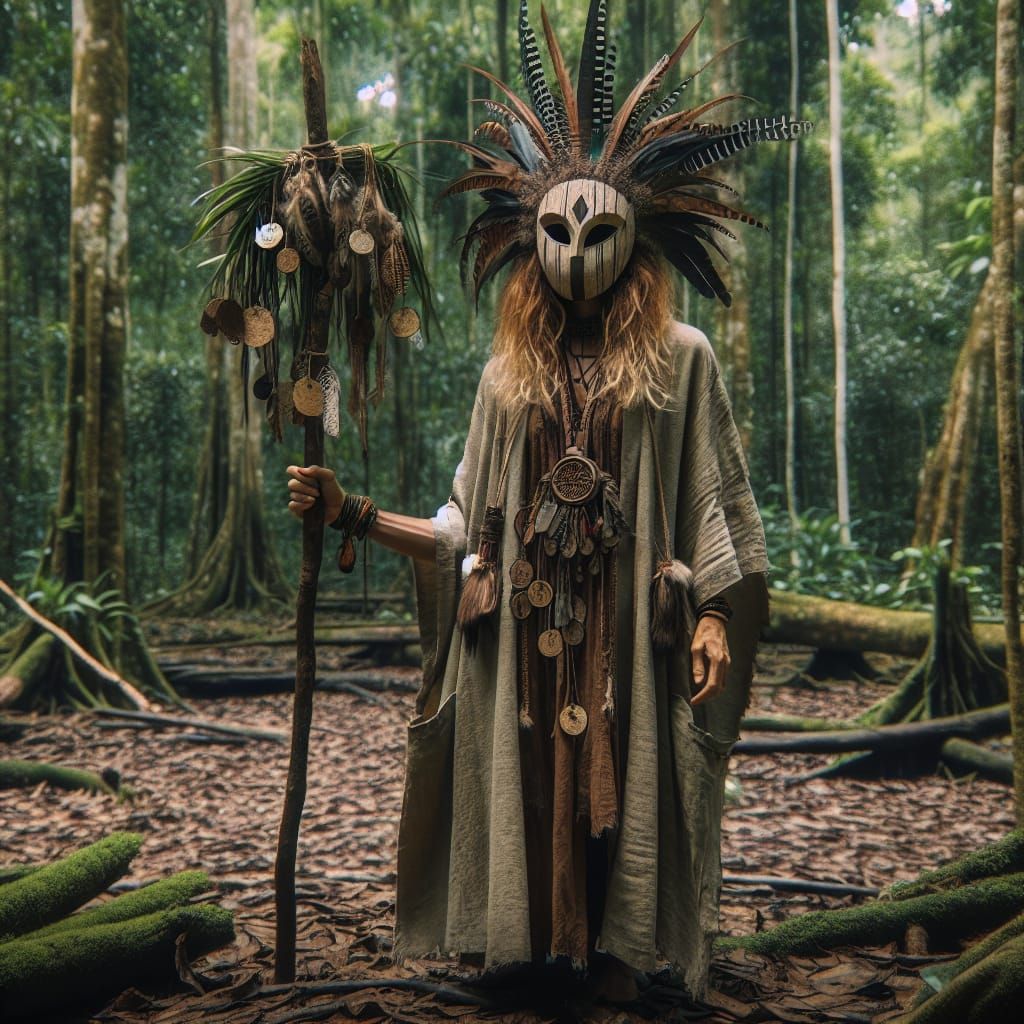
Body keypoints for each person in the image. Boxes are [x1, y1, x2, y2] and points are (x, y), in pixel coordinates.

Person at [287, 0, 808, 1002]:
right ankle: (529, 949)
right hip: (521, 631)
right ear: (527, 239)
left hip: (631, 636)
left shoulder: (680, 360)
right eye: (557, 230)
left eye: (597, 228)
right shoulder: (503, 378)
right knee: (527, 766)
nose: (575, 248)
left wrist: (709, 612)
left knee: (634, 762)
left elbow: (713, 501)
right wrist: (350, 512)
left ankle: (620, 951)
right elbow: (459, 532)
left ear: (639, 234)